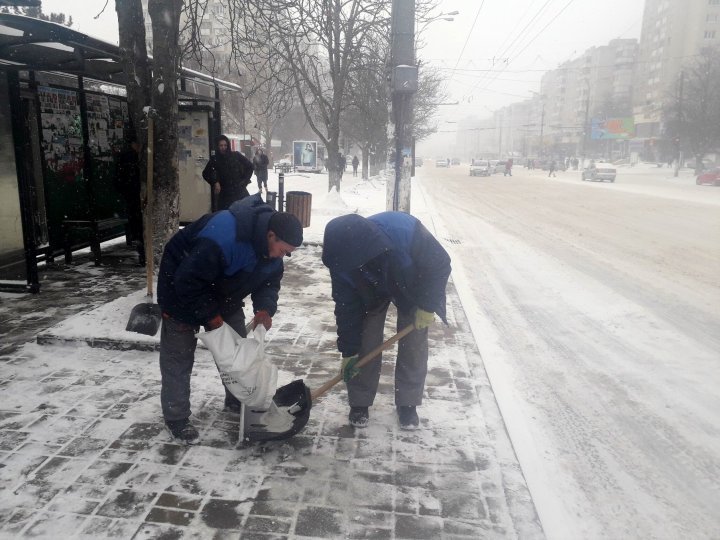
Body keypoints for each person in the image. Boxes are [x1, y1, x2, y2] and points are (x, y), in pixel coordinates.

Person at [157, 194, 303, 443]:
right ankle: (176, 418)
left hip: (223, 293)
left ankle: (236, 399)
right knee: (178, 359)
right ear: (271, 236)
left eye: (287, 254)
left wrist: (265, 308)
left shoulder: (271, 252)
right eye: (282, 250)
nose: (282, 256)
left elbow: (269, 281)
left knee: (238, 353)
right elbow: (187, 281)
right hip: (180, 289)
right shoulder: (225, 237)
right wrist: (211, 319)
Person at [322, 212, 452, 430]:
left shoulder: (405, 232)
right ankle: (360, 402)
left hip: (411, 282)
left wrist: (428, 306)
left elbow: (440, 264)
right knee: (366, 337)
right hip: (372, 287)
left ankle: (408, 403)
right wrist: (349, 351)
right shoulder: (342, 263)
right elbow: (346, 309)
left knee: (413, 340)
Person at [114, 130, 145, 266]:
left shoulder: (130, 157)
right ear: (135, 144)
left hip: (133, 196)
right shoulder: (130, 158)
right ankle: (141, 251)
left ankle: (141, 251)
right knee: (138, 225)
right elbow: (122, 178)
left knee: (138, 225)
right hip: (134, 195)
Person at [202, 135, 254, 210]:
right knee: (226, 216)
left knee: (242, 215)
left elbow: (250, 166)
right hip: (225, 195)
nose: (223, 147)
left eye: (225, 145)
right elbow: (205, 173)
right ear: (217, 146)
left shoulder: (236, 155)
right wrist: (215, 182)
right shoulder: (215, 160)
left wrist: (244, 181)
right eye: (221, 145)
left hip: (240, 193)